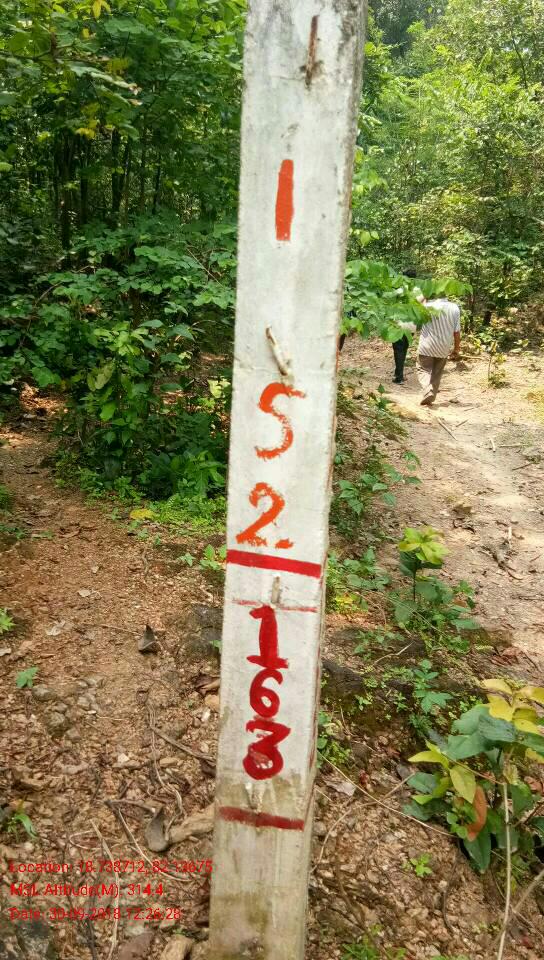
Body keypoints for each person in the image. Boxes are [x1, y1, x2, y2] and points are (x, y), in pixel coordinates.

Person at [416, 297, 461, 406]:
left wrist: (423, 298)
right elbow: (457, 331)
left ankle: (428, 391)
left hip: (426, 345)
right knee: (437, 372)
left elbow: (415, 315)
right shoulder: (454, 308)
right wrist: (456, 348)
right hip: (443, 347)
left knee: (422, 369)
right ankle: (431, 395)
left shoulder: (427, 307)